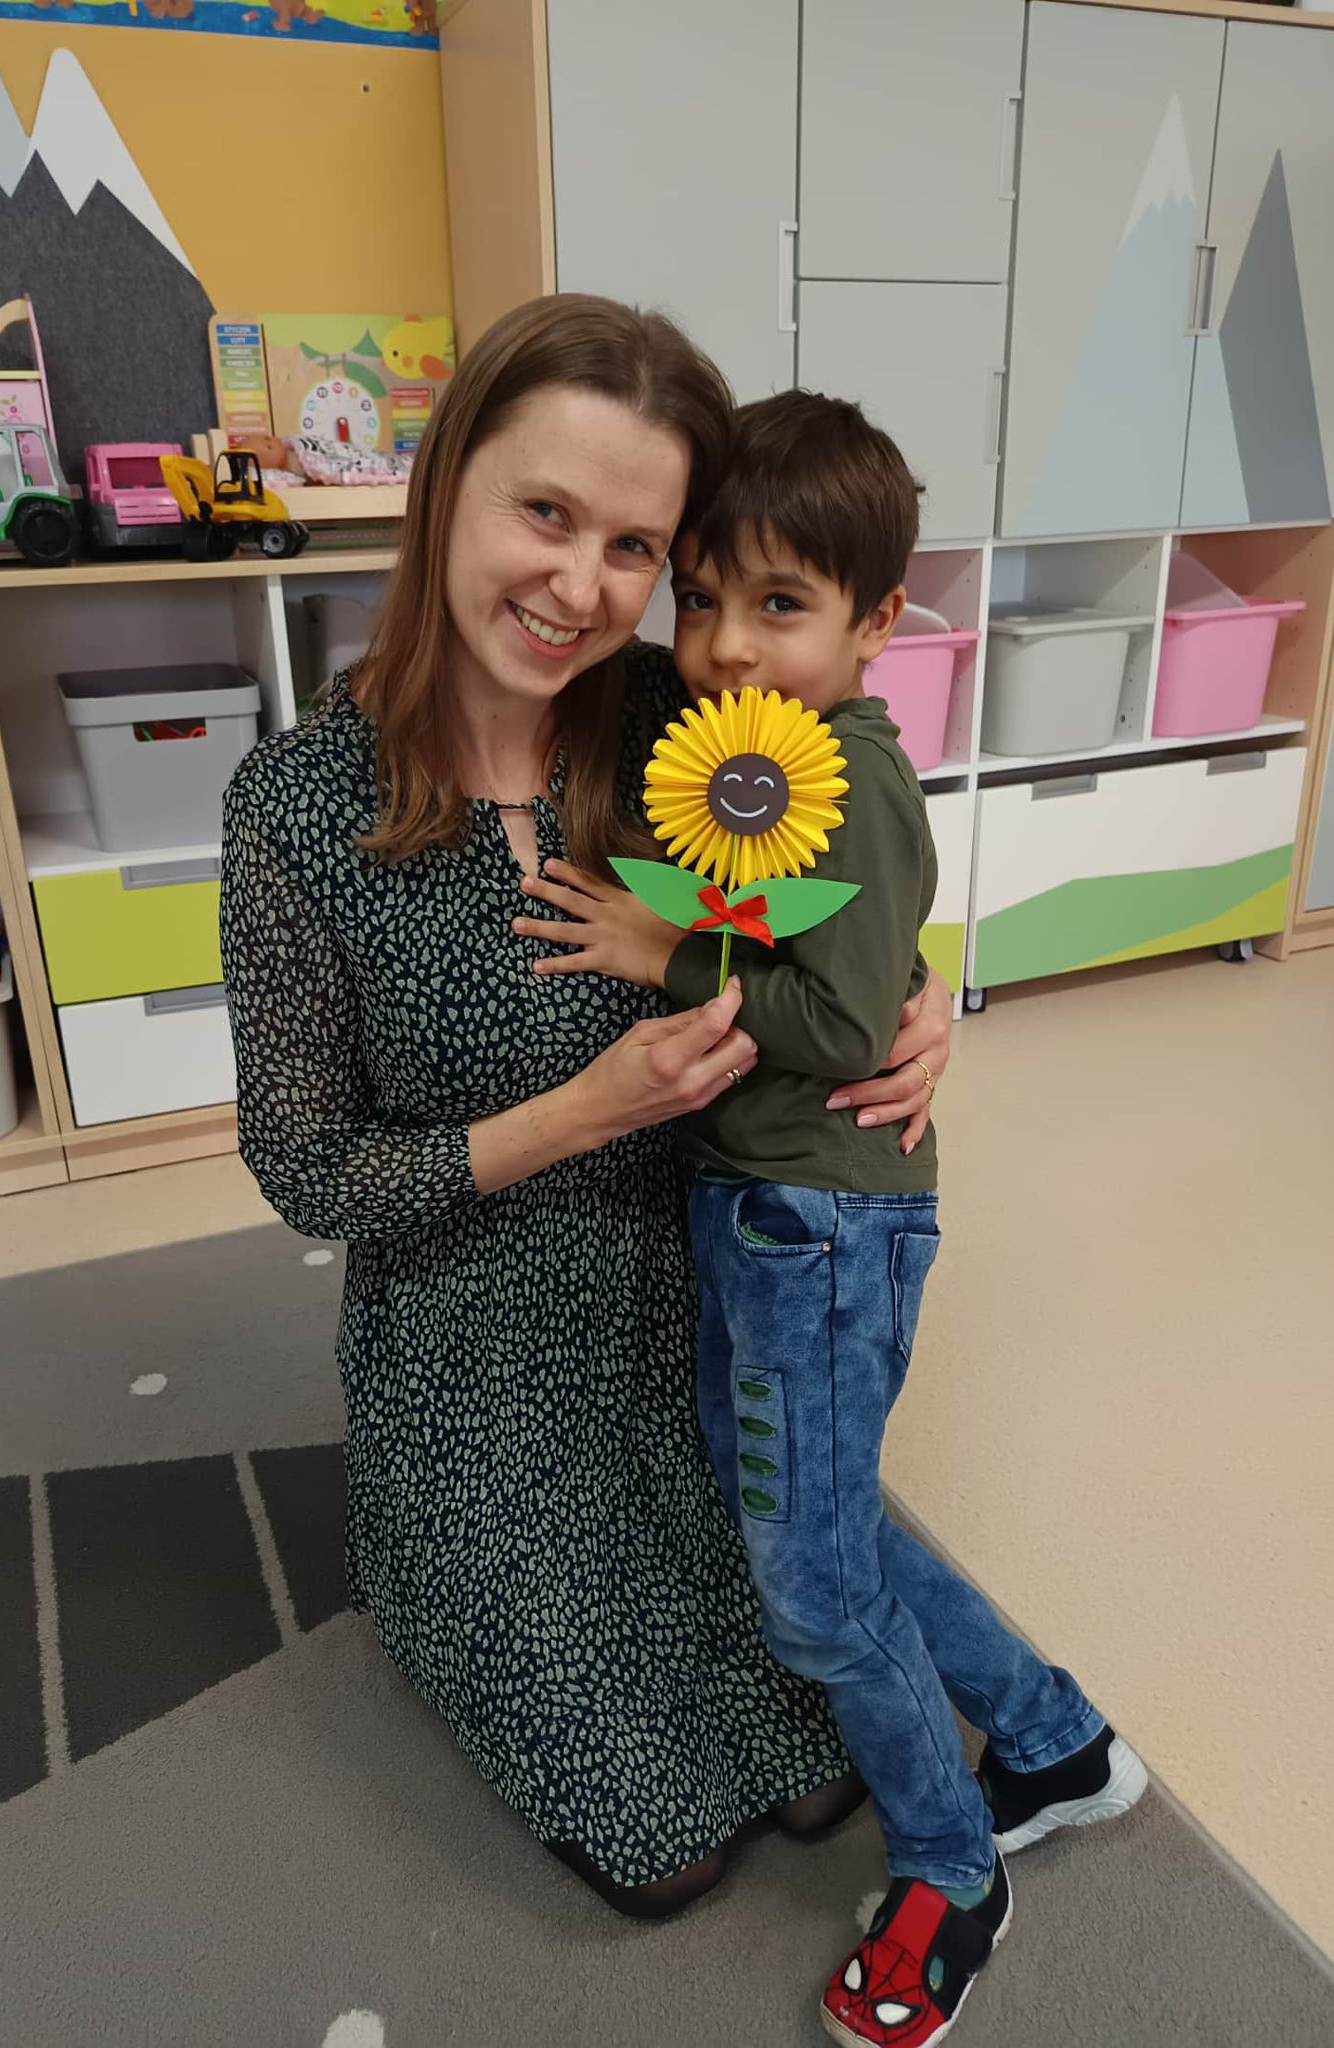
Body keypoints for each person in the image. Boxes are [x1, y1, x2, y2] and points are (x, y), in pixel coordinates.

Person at [220, 296, 954, 1921]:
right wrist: (586, 1107)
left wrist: (925, 1000)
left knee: (811, 1748)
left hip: (706, 1313)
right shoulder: (298, 804)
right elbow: (306, 1170)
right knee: (658, 1838)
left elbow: (843, 894)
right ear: (447, 491)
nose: (580, 587)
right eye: (544, 513)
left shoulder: (689, 723)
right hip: (475, 1374)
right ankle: (429, 1565)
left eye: (635, 549)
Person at [515, 391, 1147, 2045]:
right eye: (702, 600)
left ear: (879, 622)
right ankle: (1054, 1741)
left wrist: (662, 955)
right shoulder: (766, 751)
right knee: (823, 1528)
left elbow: (847, 1020)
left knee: (810, 1591)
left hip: (819, 1221)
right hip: (764, 1207)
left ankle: (950, 1861)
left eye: (780, 605)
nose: (727, 644)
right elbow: (807, 931)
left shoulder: (850, 772)